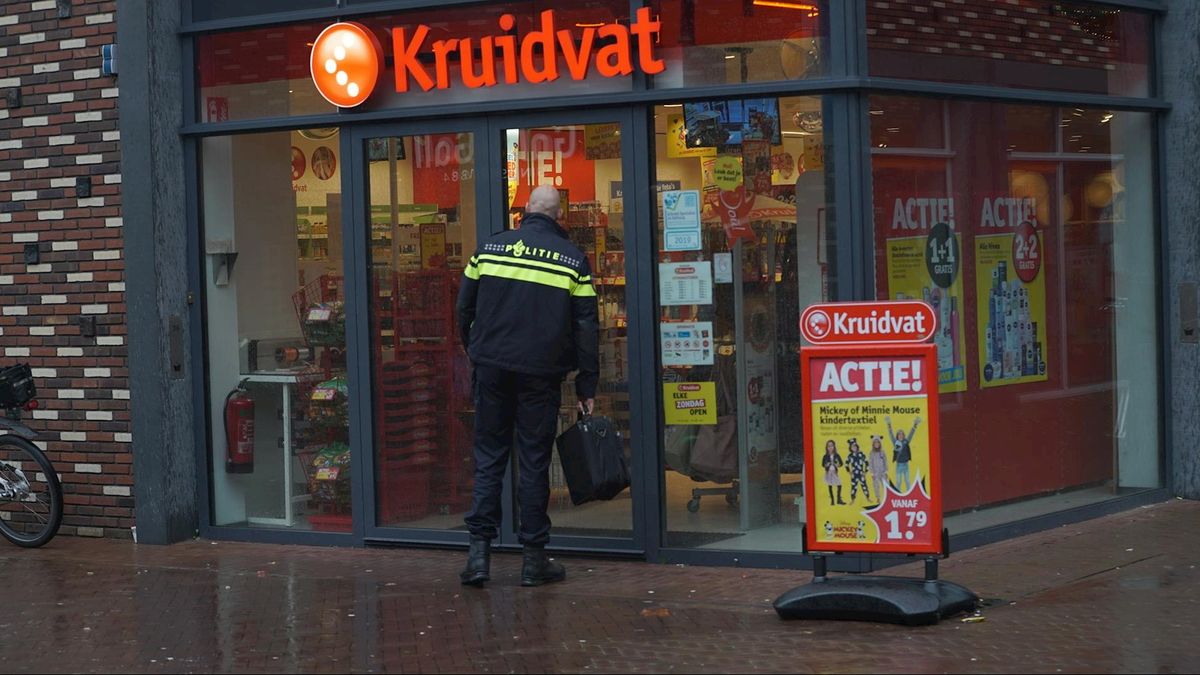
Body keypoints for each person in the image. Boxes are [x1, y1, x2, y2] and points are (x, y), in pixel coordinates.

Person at [455, 185, 599, 588]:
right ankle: (533, 561)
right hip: (540, 373)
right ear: (558, 215)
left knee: (489, 457)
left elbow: (463, 306)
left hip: (493, 369)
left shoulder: (489, 249)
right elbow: (587, 327)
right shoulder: (572, 260)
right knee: (534, 461)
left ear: (525, 211)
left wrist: (476, 351)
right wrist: (588, 382)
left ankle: (478, 557)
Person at [885, 415, 921, 493]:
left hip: (906, 464)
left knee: (907, 481)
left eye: (902, 434)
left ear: (903, 435)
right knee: (898, 482)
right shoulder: (895, 442)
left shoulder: (906, 442)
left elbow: (911, 434)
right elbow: (891, 434)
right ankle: (898, 494)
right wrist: (889, 424)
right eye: (899, 434)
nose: (900, 435)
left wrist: (915, 425)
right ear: (897, 436)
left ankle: (909, 494)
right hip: (899, 465)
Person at [845, 437, 870, 505]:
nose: (854, 447)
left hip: (861, 473)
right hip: (854, 474)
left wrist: (865, 471)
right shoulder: (850, 456)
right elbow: (846, 464)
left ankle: (867, 497)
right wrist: (849, 472)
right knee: (853, 487)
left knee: (864, 485)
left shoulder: (861, 454)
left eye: (855, 446)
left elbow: (867, 463)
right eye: (852, 446)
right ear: (850, 448)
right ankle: (852, 499)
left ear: (857, 446)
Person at [821, 440, 845, 506]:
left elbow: (841, 463)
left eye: (831, 446)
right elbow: (823, 464)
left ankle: (838, 499)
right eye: (829, 446)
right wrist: (827, 464)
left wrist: (837, 464)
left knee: (839, 484)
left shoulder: (837, 455)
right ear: (827, 447)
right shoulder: (825, 456)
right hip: (828, 472)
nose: (830, 447)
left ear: (834, 446)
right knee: (830, 485)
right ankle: (832, 500)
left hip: (835, 472)